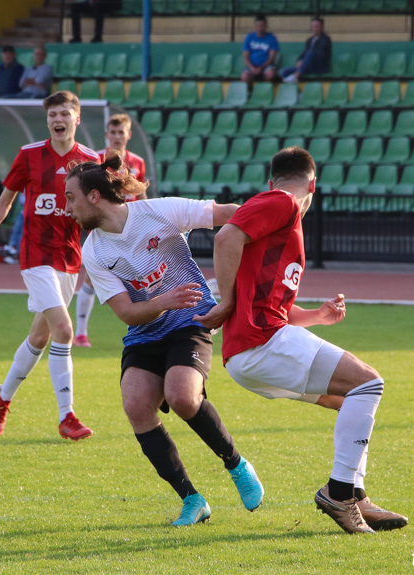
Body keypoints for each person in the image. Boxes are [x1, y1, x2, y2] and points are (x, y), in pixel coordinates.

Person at [193, 146, 408, 534]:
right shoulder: (284, 203)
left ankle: (357, 496)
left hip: (251, 354)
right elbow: (225, 238)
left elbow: (267, 301)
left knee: (351, 399)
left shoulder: (278, 222)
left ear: (271, 180)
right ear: (313, 183)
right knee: (369, 383)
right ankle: (339, 493)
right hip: (261, 343)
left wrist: (315, 317)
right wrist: (225, 302)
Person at [63, 152, 264, 526]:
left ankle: (236, 466)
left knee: (183, 396)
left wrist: (271, 228)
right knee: (137, 406)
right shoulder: (93, 250)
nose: (67, 207)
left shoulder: (159, 212)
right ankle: (192, 500)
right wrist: (161, 301)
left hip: (191, 320)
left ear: (94, 196)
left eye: (71, 197)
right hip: (144, 332)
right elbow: (126, 312)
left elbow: (233, 214)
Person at [0, 91, 100, 441]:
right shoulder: (29, 155)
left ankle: (3, 396)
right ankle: (66, 416)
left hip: (70, 259)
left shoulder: (89, 161)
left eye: (65, 113)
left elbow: (102, 210)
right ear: (48, 121)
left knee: (40, 336)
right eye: (53, 114)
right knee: (64, 330)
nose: (59, 119)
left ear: (77, 119)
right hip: (36, 257)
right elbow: (4, 200)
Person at [74, 113, 147, 348]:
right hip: (106, 227)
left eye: (121, 132)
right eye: (113, 132)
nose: (117, 137)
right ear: (107, 135)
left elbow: (141, 193)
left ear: (128, 135)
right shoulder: (96, 159)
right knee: (91, 278)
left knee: (141, 277)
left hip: (133, 228)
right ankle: (81, 333)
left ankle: (143, 328)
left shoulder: (137, 162)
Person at [279, 17, 332, 84]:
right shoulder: (309, 40)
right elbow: (303, 53)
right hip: (306, 67)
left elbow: (320, 54)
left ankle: (296, 76)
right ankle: (297, 89)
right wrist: (299, 60)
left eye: (317, 26)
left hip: (319, 67)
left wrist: (305, 60)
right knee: (283, 71)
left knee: (310, 52)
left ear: (322, 27)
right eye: (313, 26)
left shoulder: (326, 39)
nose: (314, 28)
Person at [241, 14, 280, 84]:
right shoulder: (249, 37)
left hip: (268, 66)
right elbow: (245, 57)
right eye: (258, 26)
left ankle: (265, 90)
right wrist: (252, 68)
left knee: (271, 74)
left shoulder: (272, 38)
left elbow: (272, 58)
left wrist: (261, 68)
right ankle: (250, 92)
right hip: (252, 65)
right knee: (244, 77)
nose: (259, 28)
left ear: (266, 26)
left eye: (262, 25)